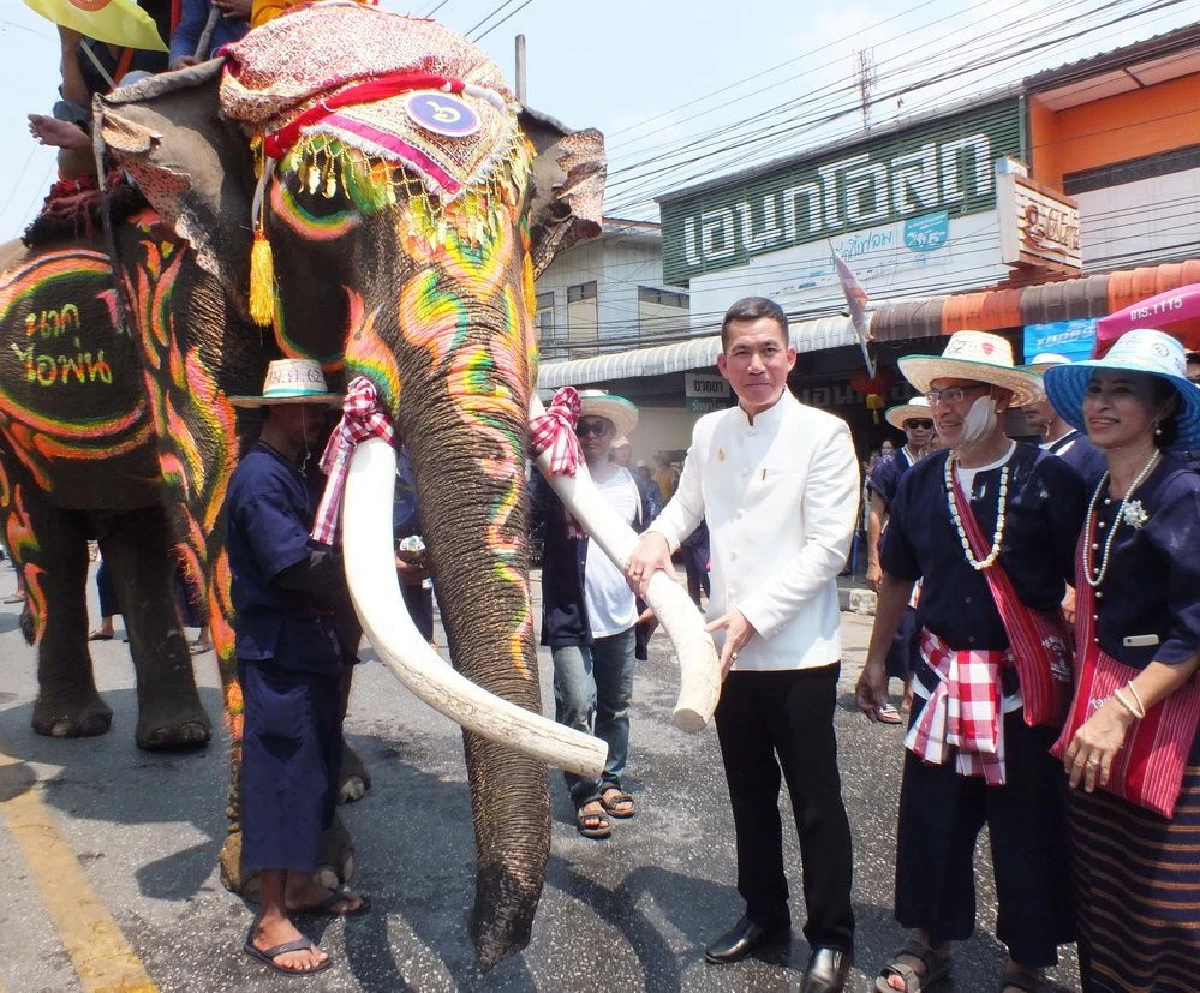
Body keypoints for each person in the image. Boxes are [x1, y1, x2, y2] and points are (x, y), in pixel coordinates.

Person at [626, 297, 858, 993]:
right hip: (725, 652)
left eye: (768, 350)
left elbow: (829, 548)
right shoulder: (710, 431)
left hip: (801, 654)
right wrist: (656, 538)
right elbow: (686, 505)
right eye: (742, 353)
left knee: (817, 803)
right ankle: (763, 915)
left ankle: (831, 938)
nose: (755, 364)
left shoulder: (825, 433)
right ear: (723, 364)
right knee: (749, 796)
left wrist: (753, 612)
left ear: (790, 357)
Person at [855, 331, 1086, 993]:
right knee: (933, 817)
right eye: (938, 391)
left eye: (959, 392)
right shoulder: (925, 479)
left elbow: (1088, 576)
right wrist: (877, 661)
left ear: (1001, 398)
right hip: (941, 680)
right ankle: (929, 943)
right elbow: (896, 574)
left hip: (1024, 685)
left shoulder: (1052, 476)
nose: (944, 407)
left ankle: (1025, 960)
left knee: (1027, 823)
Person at [1041, 329, 1200, 991]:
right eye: (1097, 389)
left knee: (1168, 911)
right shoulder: (1102, 490)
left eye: (1123, 390)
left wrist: (1123, 709)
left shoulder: (1183, 492)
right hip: (1099, 717)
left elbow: (1195, 628)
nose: (1102, 404)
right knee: (1106, 897)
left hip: (1168, 727)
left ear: (1162, 406)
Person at [226, 360, 367, 976]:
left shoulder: (291, 472)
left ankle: (303, 887)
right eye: (309, 410)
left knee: (310, 777)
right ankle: (270, 919)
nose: (317, 420)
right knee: (281, 781)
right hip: (280, 653)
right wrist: (366, 570)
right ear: (278, 410)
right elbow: (290, 565)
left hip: (308, 650)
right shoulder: (261, 478)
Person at [532, 390, 642, 840]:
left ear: (613, 435)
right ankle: (584, 791)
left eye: (599, 427)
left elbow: (646, 544)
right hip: (569, 614)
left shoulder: (630, 483)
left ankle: (611, 778)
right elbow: (525, 519)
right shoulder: (553, 479)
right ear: (571, 431)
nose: (591, 434)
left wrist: (650, 600)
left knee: (616, 707)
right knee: (577, 703)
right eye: (582, 427)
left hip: (619, 615)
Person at [865, 398, 935, 723]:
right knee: (899, 626)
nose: (920, 429)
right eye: (914, 424)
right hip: (897, 548)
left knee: (923, 625)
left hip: (931, 553)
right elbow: (876, 515)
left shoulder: (941, 460)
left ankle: (912, 688)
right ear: (904, 427)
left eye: (926, 423)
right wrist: (873, 560)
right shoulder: (889, 465)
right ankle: (881, 688)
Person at [1021, 353, 1106, 484]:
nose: (1028, 402)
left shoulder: (1092, 452)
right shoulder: (1027, 455)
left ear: (1061, 393)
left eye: (1038, 391)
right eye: (1026, 393)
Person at [169, 0, 252, 68]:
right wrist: (178, 59)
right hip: (217, 73)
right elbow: (188, 35)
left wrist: (256, 8)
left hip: (258, 67)